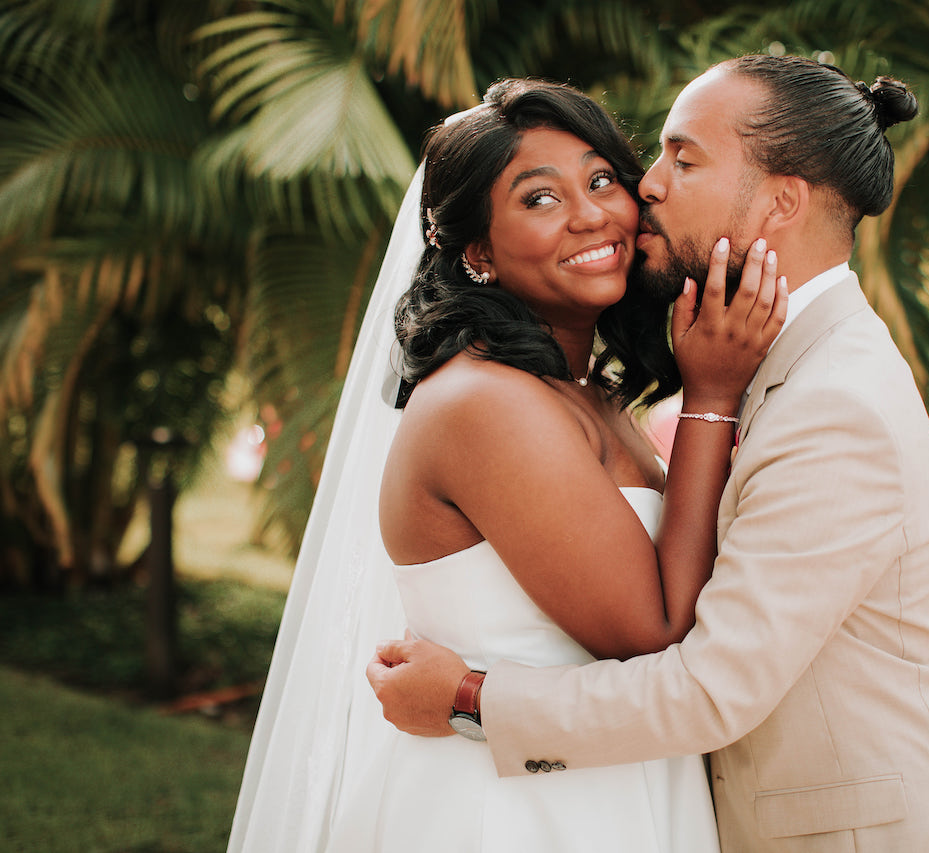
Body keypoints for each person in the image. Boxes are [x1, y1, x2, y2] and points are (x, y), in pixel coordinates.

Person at [368, 55, 929, 852]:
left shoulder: (831, 400)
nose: (643, 186)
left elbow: (709, 681)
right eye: (542, 196)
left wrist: (469, 697)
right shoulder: (752, 365)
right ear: (475, 246)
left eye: (683, 159)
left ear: (782, 200)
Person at [229, 78, 785, 852]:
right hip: (510, 813)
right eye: (539, 199)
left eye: (600, 180)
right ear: (478, 252)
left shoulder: (585, 393)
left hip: (604, 779)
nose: (591, 214)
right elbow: (655, 634)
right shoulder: (485, 404)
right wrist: (713, 395)